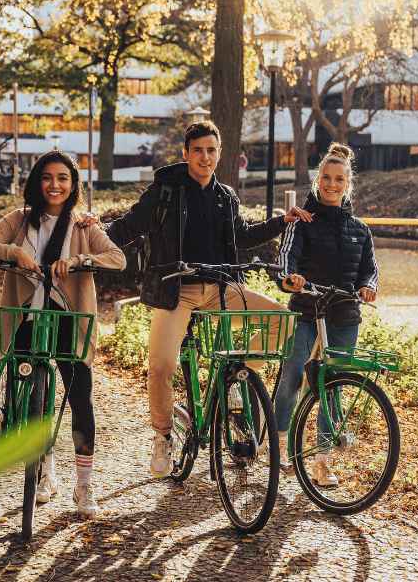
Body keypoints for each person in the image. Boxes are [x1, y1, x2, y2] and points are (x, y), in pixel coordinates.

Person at [106, 120, 313, 478]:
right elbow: (129, 226)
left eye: (211, 150)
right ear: (186, 153)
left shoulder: (225, 196)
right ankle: (163, 435)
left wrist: (282, 221)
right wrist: (93, 239)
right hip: (176, 290)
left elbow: (243, 236)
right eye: (198, 150)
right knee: (161, 365)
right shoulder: (166, 190)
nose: (205, 157)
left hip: (221, 289)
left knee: (283, 321)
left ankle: (238, 372)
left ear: (220, 154)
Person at [0, 150, 125, 518]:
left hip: (68, 323)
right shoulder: (19, 220)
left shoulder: (84, 226)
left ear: (73, 185)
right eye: (47, 177)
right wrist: (14, 253)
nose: (54, 185)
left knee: (80, 401)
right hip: (24, 319)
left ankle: (84, 486)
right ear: (36, 182)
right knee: (30, 402)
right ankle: (45, 470)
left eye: (63, 178)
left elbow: (117, 258)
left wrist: (76, 261)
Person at [275, 142, 378, 486]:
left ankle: (322, 460)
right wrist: (291, 279)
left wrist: (368, 287)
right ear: (318, 180)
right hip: (306, 310)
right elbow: (286, 261)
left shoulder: (360, 230)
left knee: (333, 386)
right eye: (327, 178)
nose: (332, 185)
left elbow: (369, 271)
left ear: (348, 184)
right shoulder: (302, 222)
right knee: (292, 373)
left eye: (339, 180)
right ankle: (277, 444)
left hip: (344, 315)